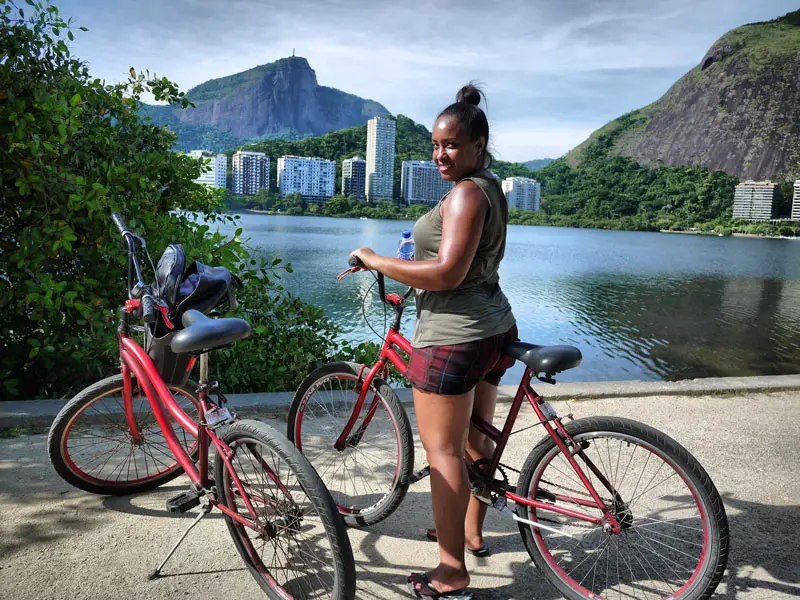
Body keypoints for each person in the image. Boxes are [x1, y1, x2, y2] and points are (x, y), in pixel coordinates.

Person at [350, 83, 517, 599]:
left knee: (444, 452)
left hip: (454, 339)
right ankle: (469, 532)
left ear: (478, 146)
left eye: (451, 145)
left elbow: (446, 273)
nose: (441, 155)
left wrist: (377, 261)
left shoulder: (467, 193)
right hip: (492, 329)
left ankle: (451, 571)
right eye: (435, 147)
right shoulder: (487, 186)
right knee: (476, 442)